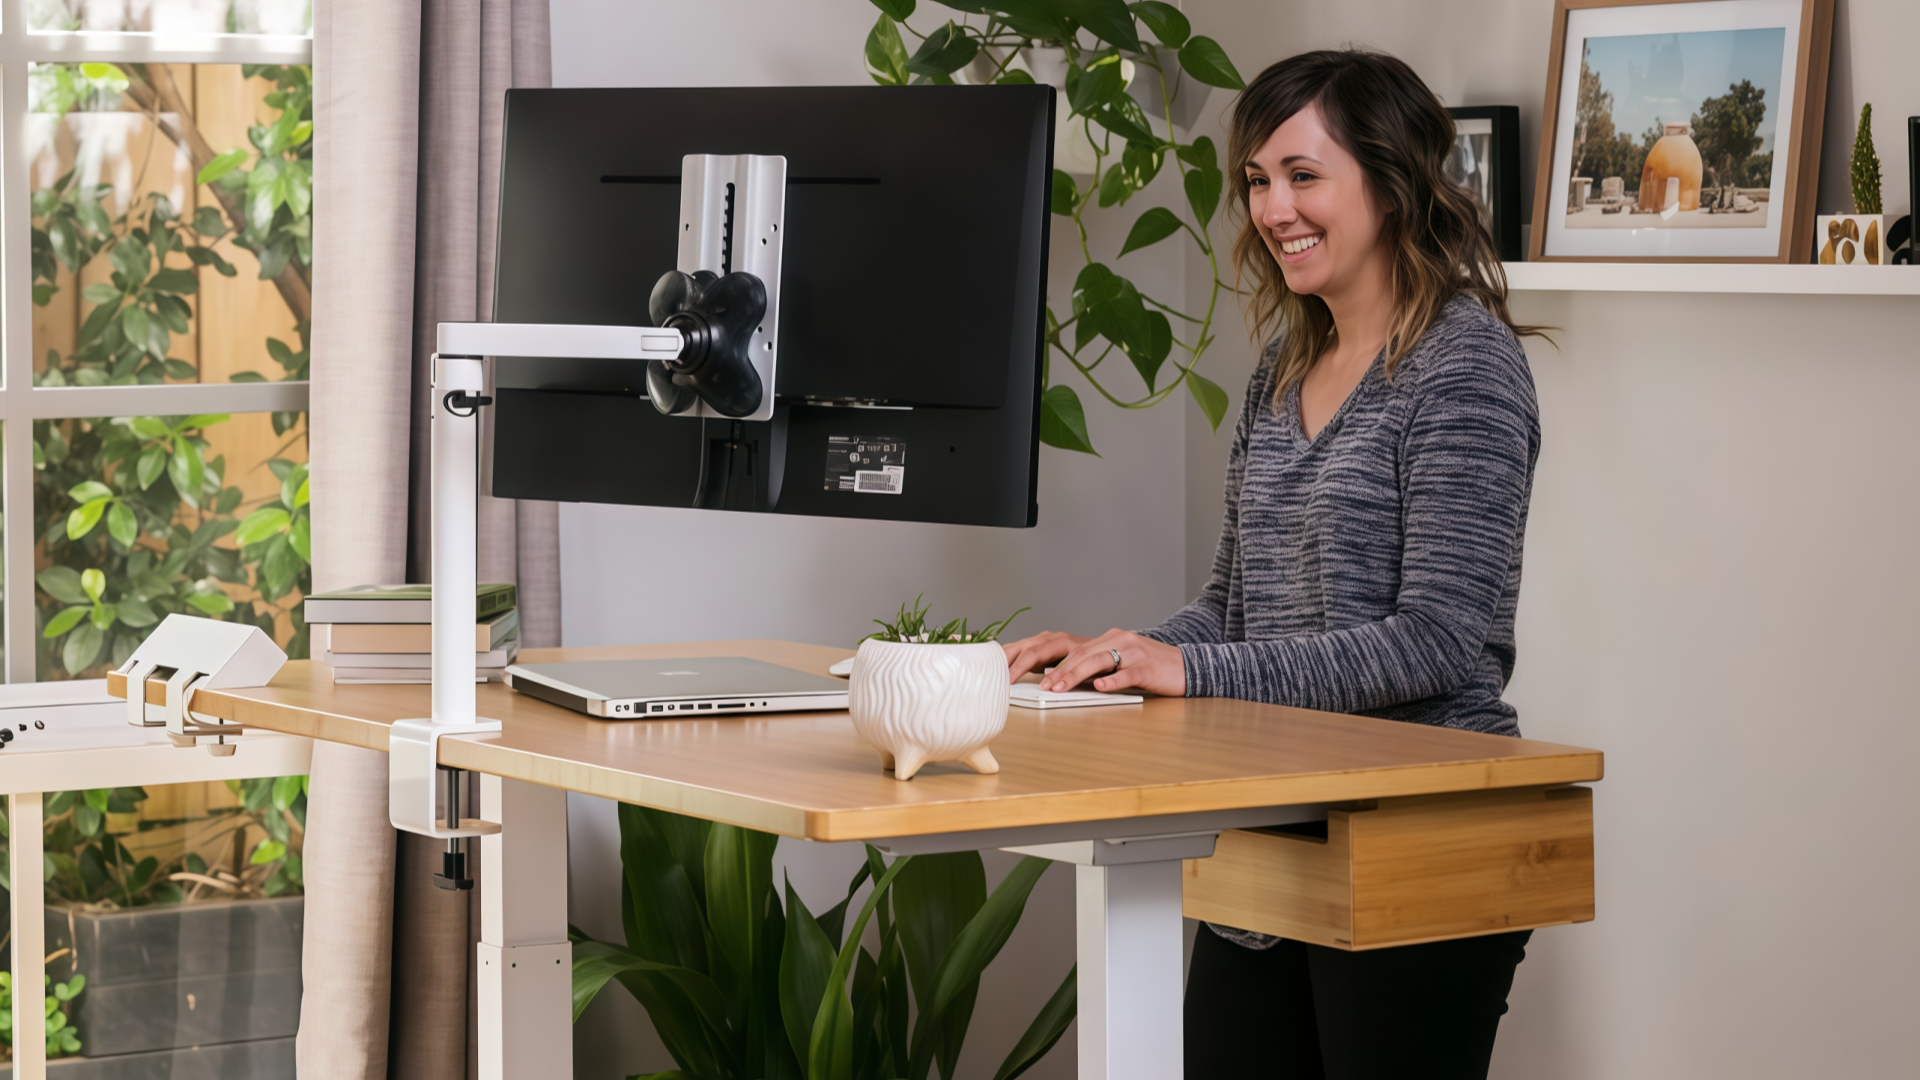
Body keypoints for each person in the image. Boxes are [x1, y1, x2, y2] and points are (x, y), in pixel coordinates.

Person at [1002, 48, 1546, 1080]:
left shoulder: (1464, 366)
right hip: (1271, 824)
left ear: (1389, 181)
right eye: (1257, 179)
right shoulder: (1285, 367)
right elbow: (1231, 608)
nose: (1272, 207)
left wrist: (1193, 672)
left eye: (1303, 175)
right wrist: (1121, 654)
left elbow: (1437, 640)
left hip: (1414, 836)